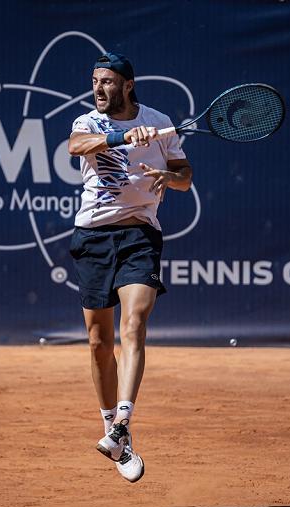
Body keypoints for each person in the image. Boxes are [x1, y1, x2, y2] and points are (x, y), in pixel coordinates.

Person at [68, 53, 192, 483]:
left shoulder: (159, 122)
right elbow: (74, 147)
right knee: (99, 343)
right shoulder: (87, 122)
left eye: (107, 81)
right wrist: (123, 140)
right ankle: (114, 433)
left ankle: (122, 423)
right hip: (93, 238)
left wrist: (166, 177)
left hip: (140, 234)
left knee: (133, 325)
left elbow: (185, 175)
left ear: (128, 85)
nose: (98, 88)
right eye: (94, 80)